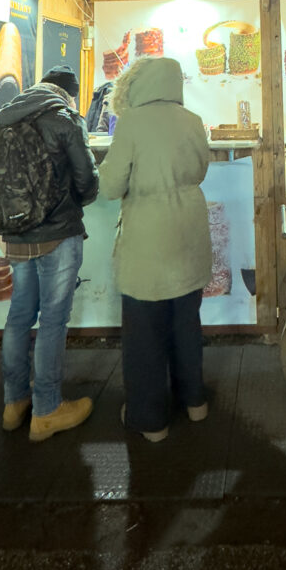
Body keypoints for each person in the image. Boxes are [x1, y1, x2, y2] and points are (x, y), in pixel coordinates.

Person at [98, 56, 211, 443]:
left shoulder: (132, 122)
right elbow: (200, 171)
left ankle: (151, 421)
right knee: (186, 323)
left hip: (149, 239)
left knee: (145, 334)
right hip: (190, 231)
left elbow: (110, 185)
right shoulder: (193, 120)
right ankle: (195, 402)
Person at [0, 64, 99, 442]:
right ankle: (47, 409)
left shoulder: (6, 118)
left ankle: (14, 402)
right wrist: (77, 201)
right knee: (53, 321)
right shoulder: (65, 118)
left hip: (15, 232)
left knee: (20, 314)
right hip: (57, 234)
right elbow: (87, 179)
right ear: (69, 93)